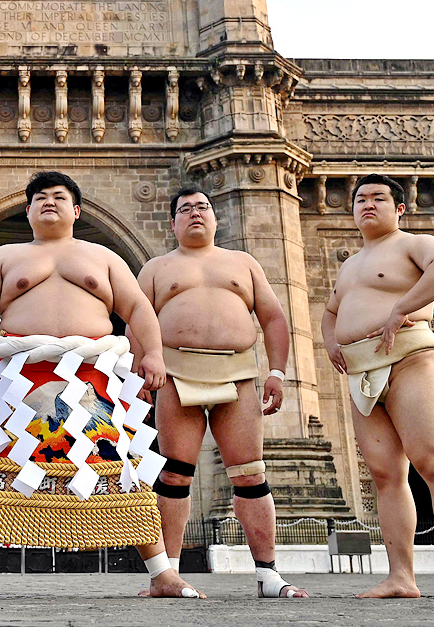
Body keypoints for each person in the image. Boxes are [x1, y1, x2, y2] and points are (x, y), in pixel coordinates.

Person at [0, 171, 199, 600]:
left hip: (92, 381)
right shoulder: (3, 257)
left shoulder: (102, 257)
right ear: (28, 210)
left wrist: (154, 354)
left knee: (119, 473)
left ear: (76, 210)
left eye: (59, 197)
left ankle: (162, 573)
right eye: (39, 197)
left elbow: (138, 309)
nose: (48, 202)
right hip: (23, 384)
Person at [131, 184, 306, 598]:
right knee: (175, 473)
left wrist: (277, 372)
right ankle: (166, 575)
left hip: (238, 371)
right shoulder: (156, 268)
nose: (195, 213)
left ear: (215, 217)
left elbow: (274, 318)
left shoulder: (243, 263)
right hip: (176, 372)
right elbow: (137, 322)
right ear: (172, 222)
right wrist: (139, 376)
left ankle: (267, 575)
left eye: (203, 207)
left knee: (250, 474)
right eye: (185, 209)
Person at [321, 173, 434, 600]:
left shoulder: (414, 243)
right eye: (359, 200)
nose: (367, 205)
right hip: (361, 372)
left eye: (378, 198)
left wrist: (402, 307)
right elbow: (331, 311)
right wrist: (332, 342)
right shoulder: (350, 265)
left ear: (400, 208)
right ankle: (401, 577)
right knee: (386, 475)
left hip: (408, 357)